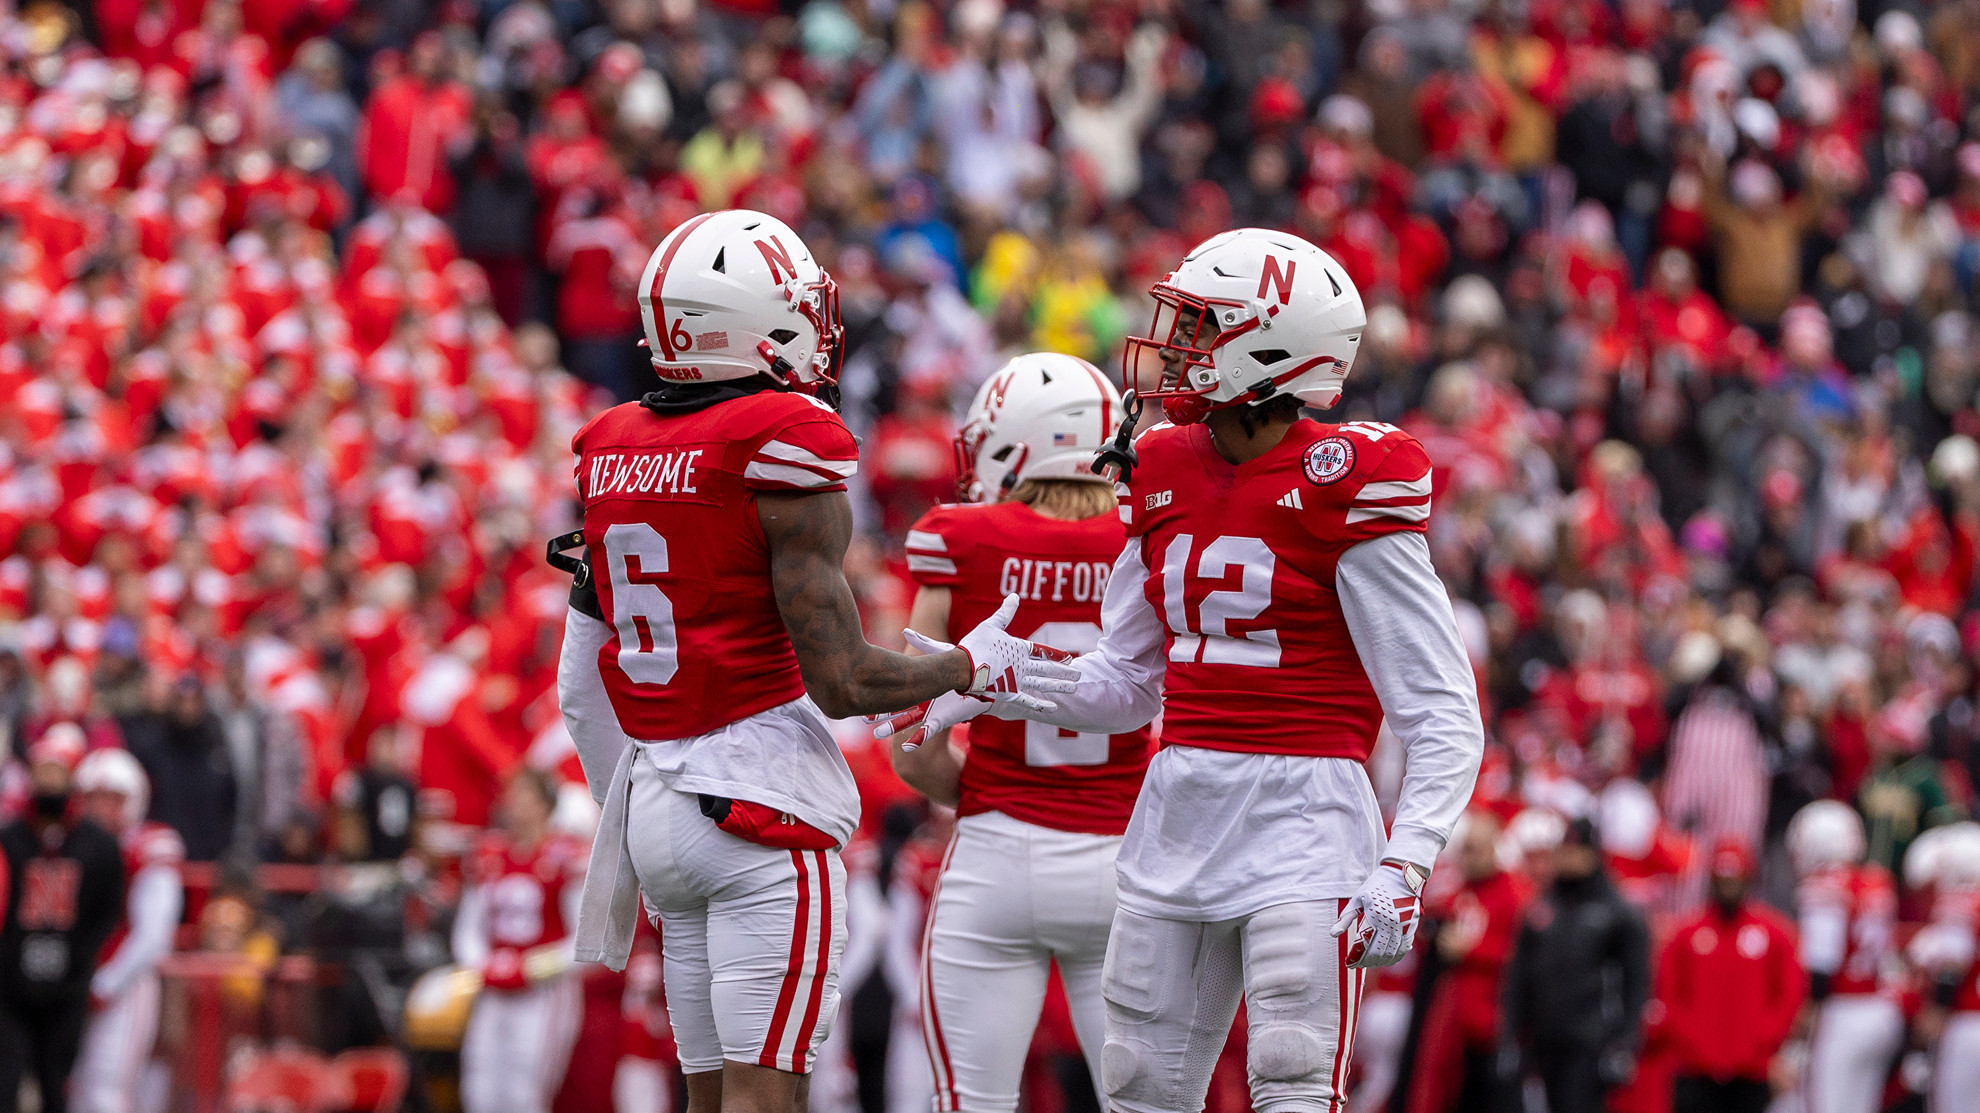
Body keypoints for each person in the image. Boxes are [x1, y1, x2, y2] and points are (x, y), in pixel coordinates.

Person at [892, 227, 1485, 1113]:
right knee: (1138, 1087)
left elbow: (1441, 709)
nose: (1175, 348)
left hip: (1307, 817)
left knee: (1290, 1073)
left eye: (1201, 327)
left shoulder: (1345, 476)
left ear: (1271, 347)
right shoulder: (1163, 464)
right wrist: (998, 676)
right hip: (1179, 806)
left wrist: (1407, 860)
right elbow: (1124, 686)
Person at [557, 208, 1076, 1113]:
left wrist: (637, 803)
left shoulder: (612, 446)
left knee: (708, 1098)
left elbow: (578, 682)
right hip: (762, 809)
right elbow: (844, 683)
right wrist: (966, 665)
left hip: (660, 806)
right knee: (771, 1099)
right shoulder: (781, 434)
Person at [880, 351, 1153, 1113]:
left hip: (997, 855)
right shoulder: (1149, 536)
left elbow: (911, 733)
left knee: (970, 1100)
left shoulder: (961, 536)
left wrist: (986, 793)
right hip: (1126, 859)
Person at [0, 730, 127, 1113]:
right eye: (42, 771)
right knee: (6, 1080)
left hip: (67, 985)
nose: (48, 782)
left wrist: (82, 953)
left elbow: (109, 908)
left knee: (57, 1083)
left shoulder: (99, 847)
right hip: (10, 984)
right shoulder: (9, 839)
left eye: (57, 772)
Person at [453, 770, 588, 1113]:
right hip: (494, 988)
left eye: (524, 794)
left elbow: (585, 940)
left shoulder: (564, 858)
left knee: (523, 1093)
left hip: (544, 992)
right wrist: (484, 965)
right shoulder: (491, 855)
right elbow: (468, 928)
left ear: (545, 804)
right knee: (479, 1089)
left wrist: (530, 968)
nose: (514, 803)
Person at [1502, 817, 1649, 1113]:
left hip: (1591, 1041)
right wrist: (1509, 1036)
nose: (1568, 859)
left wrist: (1625, 1043)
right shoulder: (1543, 907)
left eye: (1576, 850)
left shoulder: (1617, 912)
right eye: (1564, 850)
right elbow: (1518, 976)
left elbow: (1635, 982)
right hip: (1543, 1037)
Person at [70, 749, 185, 1113]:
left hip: (124, 983)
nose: (102, 810)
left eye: (113, 799)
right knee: (75, 1090)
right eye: (94, 798)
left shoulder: (148, 845)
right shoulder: (69, 843)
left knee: (107, 1088)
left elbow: (154, 935)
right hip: (77, 979)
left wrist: (107, 983)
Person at [1654, 839, 1804, 1113]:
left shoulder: (1774, 935)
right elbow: (1669, 994)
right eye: (1722, 880)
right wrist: (1691, 1041)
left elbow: (1789, 995)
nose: (1728, 887)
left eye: (1734, 879)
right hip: (1694, 1067)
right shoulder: (1685, 935)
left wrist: (1763, 1041)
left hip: (1751, 1070)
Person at [1786, 801, 1901, 1113]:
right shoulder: (1877, 881)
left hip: (1842, 1010)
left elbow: (1822, 961)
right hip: (1881, 1007)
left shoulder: (1824, 885)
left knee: (1826, 1105)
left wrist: (1806, 1015)